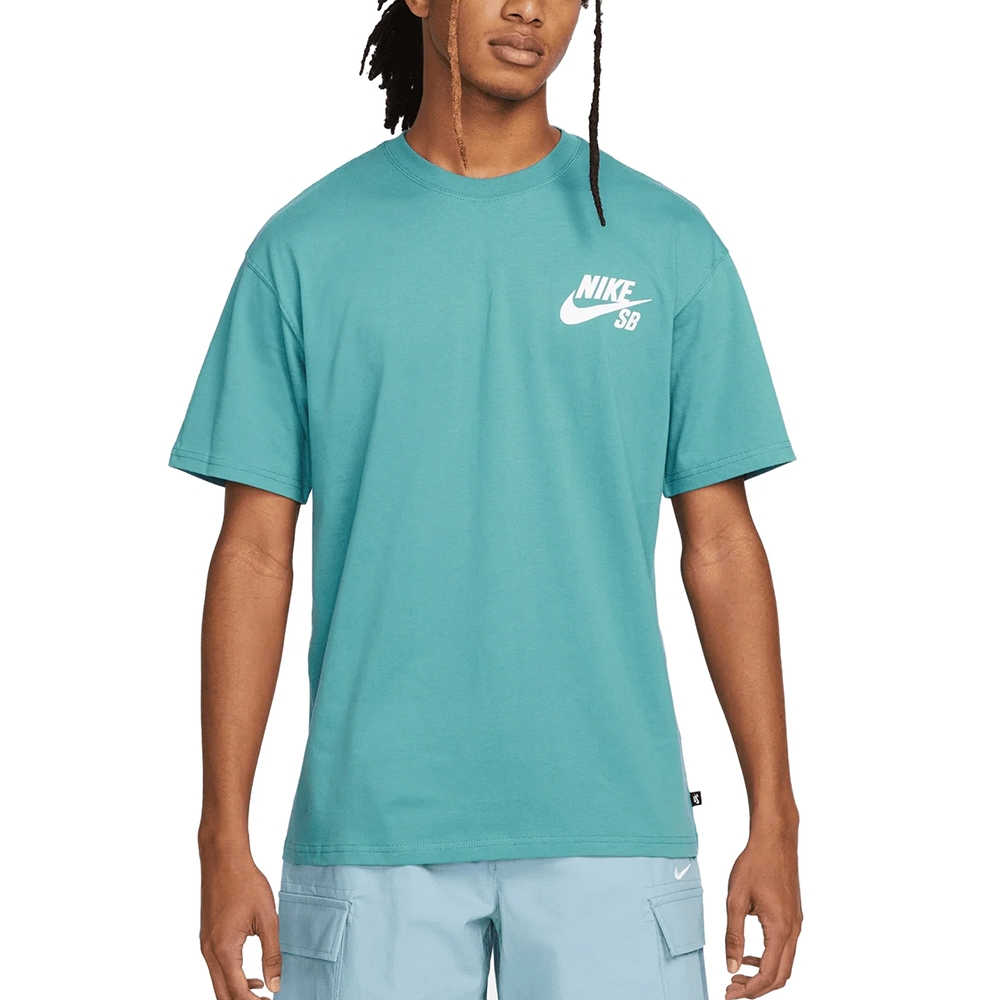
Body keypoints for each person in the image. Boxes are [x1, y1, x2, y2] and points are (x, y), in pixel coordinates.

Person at [168, 1, 803, 998]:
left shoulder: (666, 242)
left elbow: (720, 543)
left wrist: (776, 817)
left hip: (612, 824)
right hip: (371, 831)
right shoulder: (305, 249)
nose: (528, 8)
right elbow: (253, 553)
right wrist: (221, 838)